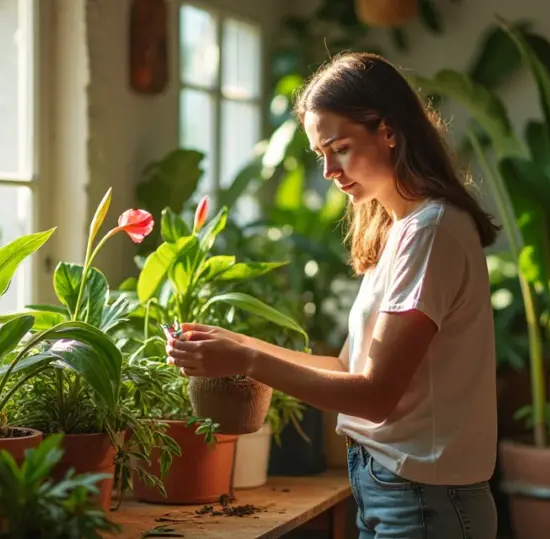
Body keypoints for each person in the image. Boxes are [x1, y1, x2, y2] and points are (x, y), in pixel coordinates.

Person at [165, 51, 500, 539]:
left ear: (388, 131)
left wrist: (246, 362)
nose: (328, 171)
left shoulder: (432, 232)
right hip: (393, 489)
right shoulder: (402, 230)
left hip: (424, 501)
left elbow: (374, 396)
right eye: (320, 154)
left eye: (339, 147)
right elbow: (347, 369)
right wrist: (238, 345)